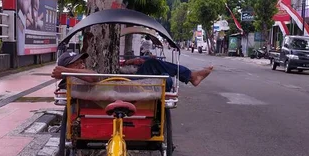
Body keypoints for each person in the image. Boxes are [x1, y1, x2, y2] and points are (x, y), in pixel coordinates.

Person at [51, 52, 214, 91]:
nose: (81, 65)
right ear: (67, 67)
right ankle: (191, 76)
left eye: (81, 62)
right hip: (121, 88)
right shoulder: (71, 79)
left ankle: (191, 75)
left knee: (151, 62)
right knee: (164, 78)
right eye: (77, 63)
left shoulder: (74, 75)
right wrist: (65, 71)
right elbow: (94, 79)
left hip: (119, 83)